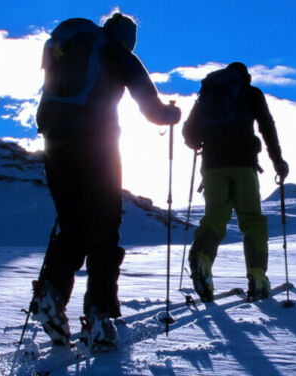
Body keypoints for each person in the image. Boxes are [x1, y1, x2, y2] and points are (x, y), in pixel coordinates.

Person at [29, 12, 181, 349]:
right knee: (104, 229)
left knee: (72, 227)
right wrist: (172, 114)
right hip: (98, 148)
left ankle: (51, 296)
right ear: (127, 37)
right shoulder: (119, 54)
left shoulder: (73, 49)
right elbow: (152, 108)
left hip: (56, 144)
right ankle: (100, 315)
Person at [182, 62, 289, 303]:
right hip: (243, 164)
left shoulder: (206, 95)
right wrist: (277, 160)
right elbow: (267, 127)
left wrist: (200, 143)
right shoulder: (250, 93)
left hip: (212, 166)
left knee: (215, 218)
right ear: (245, 77)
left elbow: (189, 133)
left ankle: (202, 259)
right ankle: (258, 276)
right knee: (251, 220)